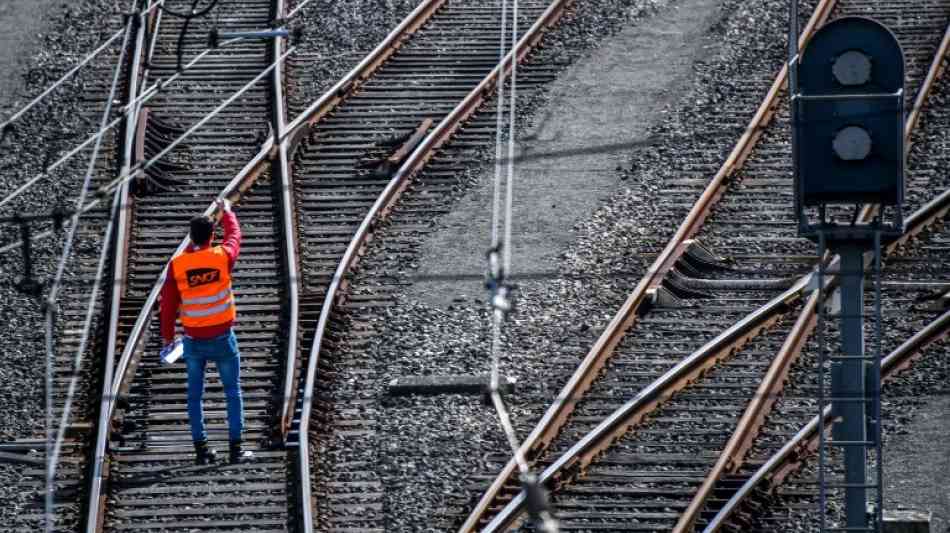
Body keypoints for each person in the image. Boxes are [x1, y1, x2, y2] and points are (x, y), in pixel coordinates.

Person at [159, 198, 253, 465]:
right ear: (212, 236)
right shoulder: (221, 256)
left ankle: (201, 451)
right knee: (232, 390)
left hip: (193, 341)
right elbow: (235, 236)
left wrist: (168, 338)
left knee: (195, 395)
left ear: (191, 237)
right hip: (223, 338)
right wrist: (228, 214)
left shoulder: (177, 266)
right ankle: (236, 450)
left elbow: (167, 308)